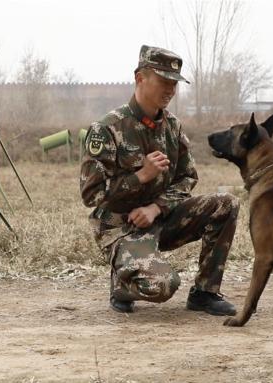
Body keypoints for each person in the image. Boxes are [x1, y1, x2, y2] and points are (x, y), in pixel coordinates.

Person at [80, 45, 239, 316]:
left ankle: (205, 292)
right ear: (140, 78)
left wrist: (156, 208)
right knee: (163, 286)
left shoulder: (172, 127)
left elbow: (188, 177)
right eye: (164, 82)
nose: (170, 90)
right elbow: (91, 195)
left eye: (174, 84)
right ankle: (122, 284)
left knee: (226, 204)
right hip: (122, 228)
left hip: (161, 219)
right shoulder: (107, 129)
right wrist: (140, 176)